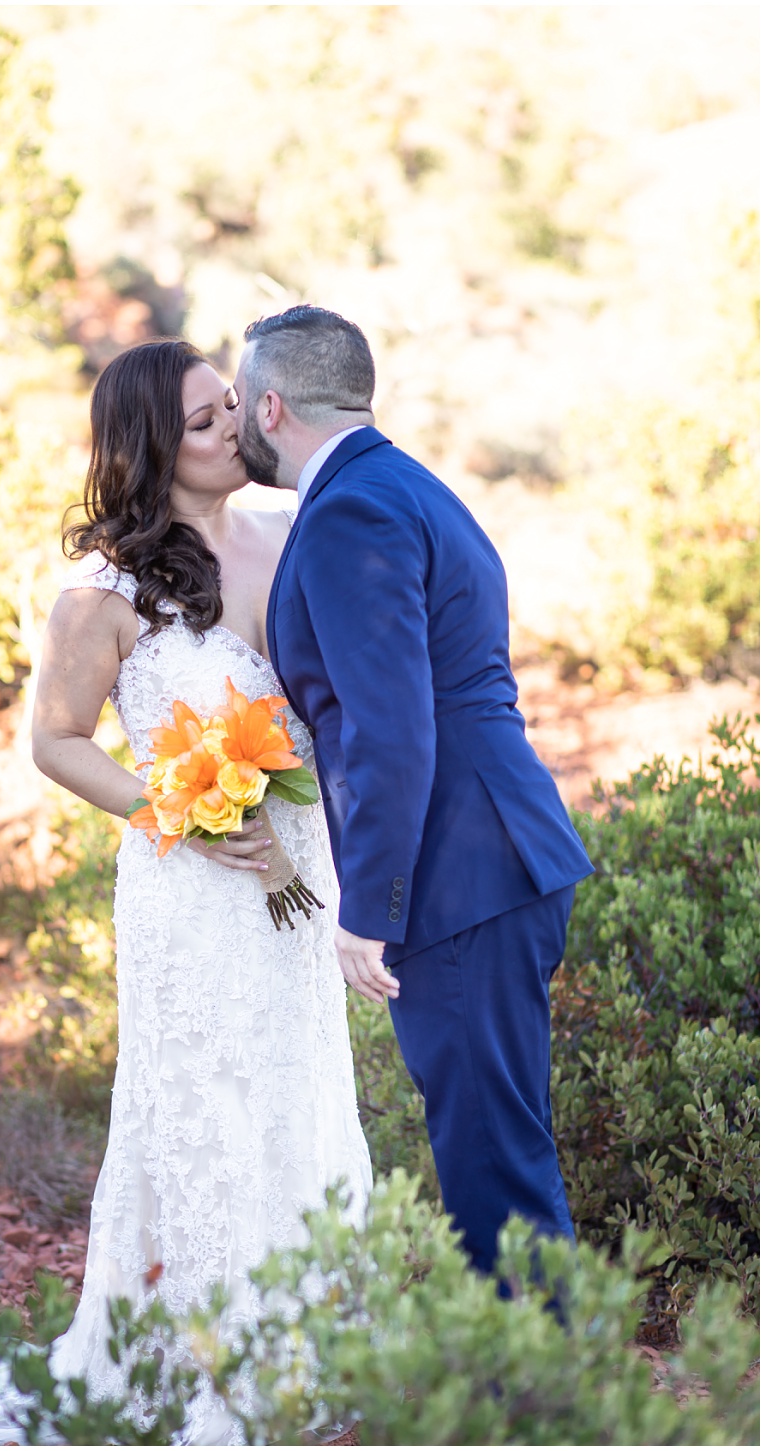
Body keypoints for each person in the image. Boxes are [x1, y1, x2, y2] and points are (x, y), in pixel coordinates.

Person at [31, 338, 373, 1443]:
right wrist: (171, 803)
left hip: (299, 873)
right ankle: (199, 1358)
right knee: (202, 1101)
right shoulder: (103, 590)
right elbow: (55, 740)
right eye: (202, 420)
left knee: (298, 1087)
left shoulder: (292, 535)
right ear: (148, 445)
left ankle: (310, 1341)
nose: (233, 427)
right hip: (189, 887)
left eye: (231, 406)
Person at [233, 304, 592, 1276]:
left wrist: (370, 906)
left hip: (460, 872)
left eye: (235, 403)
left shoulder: (351, 510)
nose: (231, 424)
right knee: (499, 1144)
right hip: (498, 854)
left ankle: (541, 1405)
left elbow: (391, 728)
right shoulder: (405, 484)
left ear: (271, 405)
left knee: (491, 1161)